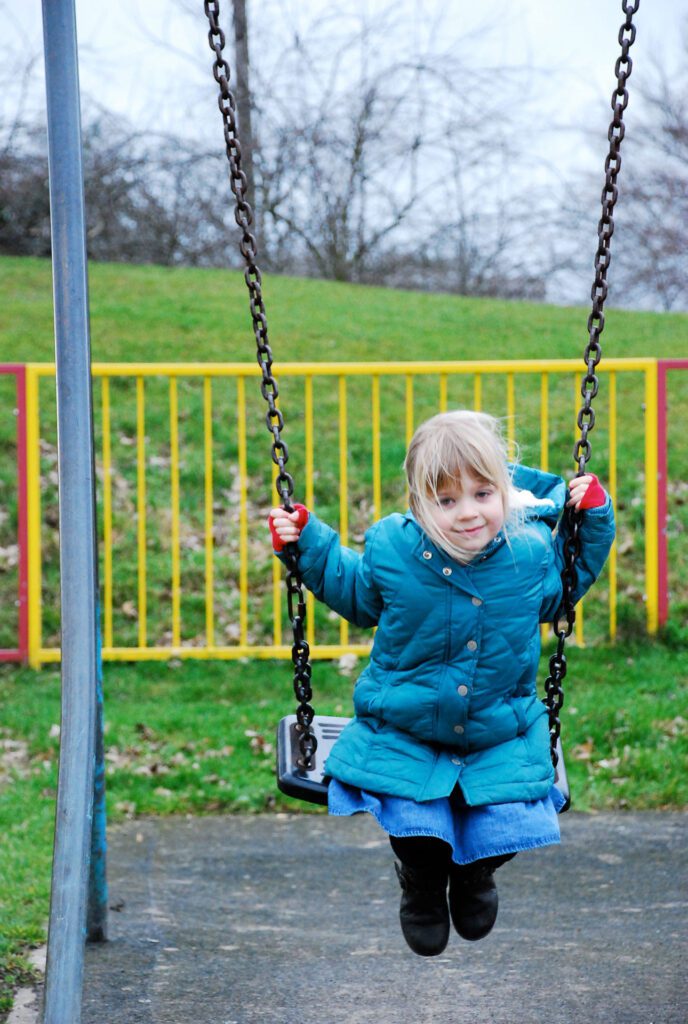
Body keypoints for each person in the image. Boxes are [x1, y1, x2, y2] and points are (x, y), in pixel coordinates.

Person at [268, 410, 615, 957]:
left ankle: (476, 874)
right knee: (416, 832)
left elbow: (567, 585)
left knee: (504, 832)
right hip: (404, 729)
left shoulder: (529, 556)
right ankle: (422, 881)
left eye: (482, 494)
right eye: (446, 501)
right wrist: (306, 541)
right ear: (418, 503)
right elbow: (355, 594)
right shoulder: (392, 550)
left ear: (505, 490)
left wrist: (592, 521)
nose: (468, 513)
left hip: (499, 731)